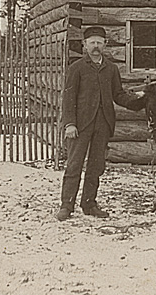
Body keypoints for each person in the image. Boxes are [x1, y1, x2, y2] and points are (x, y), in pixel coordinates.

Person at [56, 26, 144, 221]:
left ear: (105, 44)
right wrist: (69, 124)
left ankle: (89, 204)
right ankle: (66, 205)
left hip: (103, 124)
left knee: (96, 166)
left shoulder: (111, 69)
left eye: (99, 42)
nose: (96, 46)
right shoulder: (76, 68)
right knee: (74, 165)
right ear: (85, 45)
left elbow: (118, 95)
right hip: (80, 125)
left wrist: (137, 101)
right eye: (92, 42)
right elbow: (68, 98)